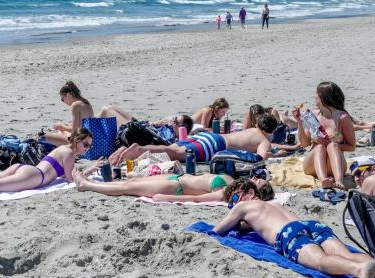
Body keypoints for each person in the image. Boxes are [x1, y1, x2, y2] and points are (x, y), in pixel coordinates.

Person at [212, 178, 375, 278]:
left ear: (250, 193)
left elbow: (218, 230)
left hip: (288, 234)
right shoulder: (274, 205)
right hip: (310, 225)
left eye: (235, 199)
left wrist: (234, 212)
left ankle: (360, 270)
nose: (233, 205)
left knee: (321, 262)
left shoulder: (242, 207)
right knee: (347, 253)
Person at [108, 113, 278, 165]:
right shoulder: (264, 140)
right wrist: (275, 154)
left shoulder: (250, 129)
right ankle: (140, 149)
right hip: (215, 145)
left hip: (208, 137)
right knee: (175, 153)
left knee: (173, 147)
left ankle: (125, 149)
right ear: (271, 131)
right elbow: (261, 158)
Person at [293, 82, 356, 189]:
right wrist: (299, 122)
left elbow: (352, 146)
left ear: (322, 97)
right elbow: (304, 144)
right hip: (313, 165)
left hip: (335, 165)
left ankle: (339, 181)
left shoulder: (342, 118)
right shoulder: (312, 116)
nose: (314, 97)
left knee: (333, 146)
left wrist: (331, 144)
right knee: (319, 147)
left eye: (316, 94)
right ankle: (323, 180)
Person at [78, 171, 272, 204]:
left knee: (126, 188)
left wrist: (168, 198)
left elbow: (198, 199)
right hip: (178, 177)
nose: (256, 177)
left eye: (259, 182)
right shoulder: (235, 182)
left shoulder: (230, 192)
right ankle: (91, 182)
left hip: (175, 187)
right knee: (132, 182)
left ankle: (86, 185)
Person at [45, 81, 94, 145]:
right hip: (89, 138)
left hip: (80, 142)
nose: (63, 101)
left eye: (63, 99)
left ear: (68, 95)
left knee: (45, 136)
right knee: (62, 133)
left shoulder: (75, 105)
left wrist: (61, 126)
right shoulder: (85, 102)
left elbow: (74, 130)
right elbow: (82, 125)